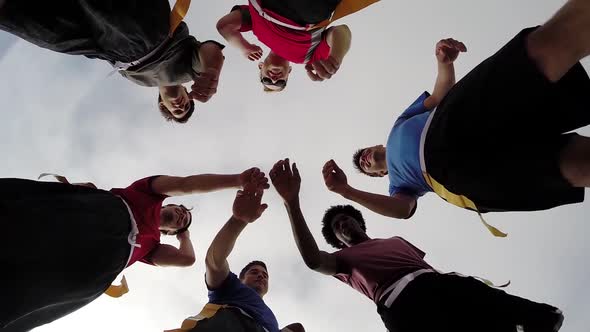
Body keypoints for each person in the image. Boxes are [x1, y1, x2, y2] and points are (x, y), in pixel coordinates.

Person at [324, 0, 590, 235]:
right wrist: (347, 192)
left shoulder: (399, 126)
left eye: (364, 154)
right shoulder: (398, 186)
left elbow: (440, 95)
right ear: (381, 173)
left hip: (449, 122)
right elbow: (402, 210)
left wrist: (444, 63)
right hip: (451, 175)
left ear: (378, 146)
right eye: (365, 166)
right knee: (569, 163)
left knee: (537, 54)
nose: (365, 158)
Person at [269, 158, 564, 332]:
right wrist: (292, 202)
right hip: (402, 305)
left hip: (438, 285)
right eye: (338, 227)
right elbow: (312, 259)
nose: (344, 225)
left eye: (347, 219)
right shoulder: (344, 260)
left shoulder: (395, 242)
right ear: (338, 240)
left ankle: (538, 320)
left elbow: (428, 271)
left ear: (360, 222)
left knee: (504, 308)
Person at [0, 168, 267, 331]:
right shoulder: (144, 193)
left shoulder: (150, 246)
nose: (181, 215)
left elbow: (187, 259)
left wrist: (184, 234)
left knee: (29, 295)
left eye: (183, 222)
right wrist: (238, 180)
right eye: (180, 210)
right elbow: (188, 184)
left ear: (171, 233)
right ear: (169, 206)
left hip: (97, 267)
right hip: (96, 216)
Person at [0, 0, 225, 123]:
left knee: (51, 35)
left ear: (162, 105)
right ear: (187, 94)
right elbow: (210, 49)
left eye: (177, 111)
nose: (180, 105)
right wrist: (212, 71)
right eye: (186, 105)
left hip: (108, 49)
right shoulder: (189, 72)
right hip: (151, 33)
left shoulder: (141, 82)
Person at [165, 177, 303, 332]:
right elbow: (214, 262)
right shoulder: (231, 287)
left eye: (265, 275)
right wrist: (238, 220)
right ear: (241, 278)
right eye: (254, 272)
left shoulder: (271, 322)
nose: (261, 276)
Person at [216, 0, 374, 91]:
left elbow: (224, 26)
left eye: (266, 80)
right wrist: (335, 57)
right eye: (280, 82)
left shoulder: (256, 29)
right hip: (307, 12)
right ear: (288, 72)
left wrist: (244, 47)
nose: (273, 79)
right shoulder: (307, 57)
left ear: (261, 66)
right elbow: (341, 31)